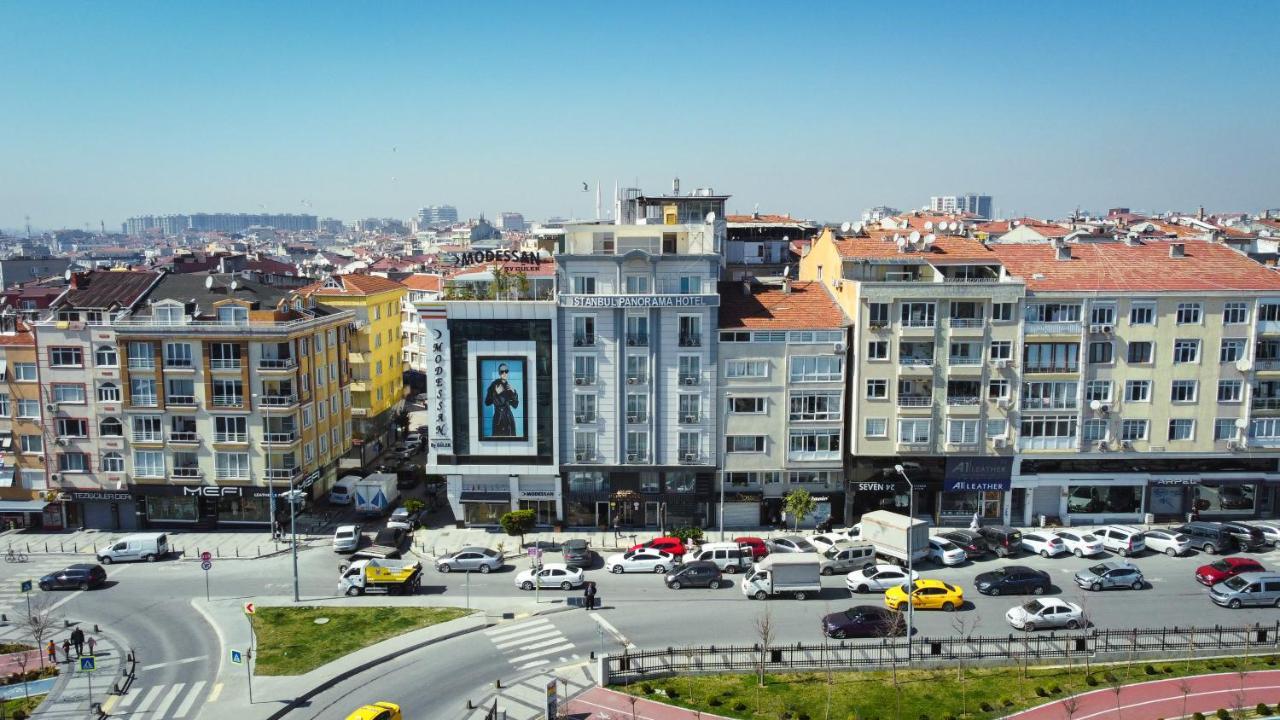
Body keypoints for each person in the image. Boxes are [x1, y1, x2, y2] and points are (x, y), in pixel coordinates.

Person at [483, 363, 520, 437]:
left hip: (509, 419)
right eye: (502, 371)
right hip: (499, 419)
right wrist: (496, 393)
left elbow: (515, 405)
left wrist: (514, 393)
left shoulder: (508, 386)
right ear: (499, 373)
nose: (504, 373)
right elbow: (487, 402)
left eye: (506, 371)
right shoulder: (494, 385)